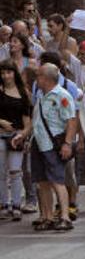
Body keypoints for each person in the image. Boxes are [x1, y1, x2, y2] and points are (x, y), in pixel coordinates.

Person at [31, 63, 75, 231]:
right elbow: (36, 119)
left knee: (57, 180)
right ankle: (48, 217)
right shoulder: (41, 95)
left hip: (52, 144)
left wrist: (67, 143)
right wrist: (25, 135)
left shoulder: (62, 96)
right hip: (39, 142)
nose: (37, 80)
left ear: (45, 78)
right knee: (42, 182)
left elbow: (71, 120)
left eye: (39, 76)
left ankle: (64, 216)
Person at [0, 60, 31, 222]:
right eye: (3, 73)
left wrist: (23, 135)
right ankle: (4, 204)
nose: (6, 76)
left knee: (15, 171)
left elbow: (28, 122)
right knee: (1, 172)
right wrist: (2, 122)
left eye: (9, 72)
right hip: (0, 133)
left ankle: (17, 204)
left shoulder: (23, 92)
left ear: (14, 73)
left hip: (16, 135)